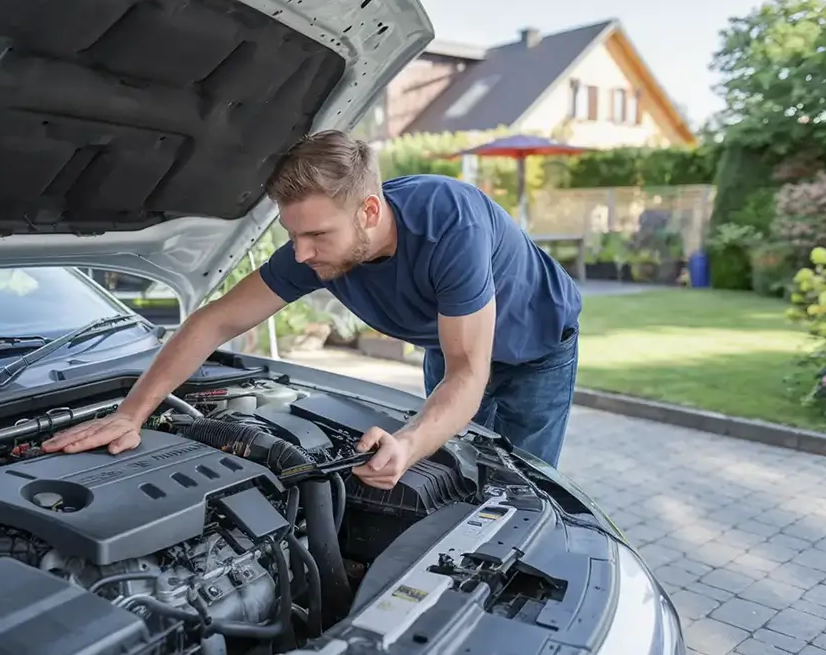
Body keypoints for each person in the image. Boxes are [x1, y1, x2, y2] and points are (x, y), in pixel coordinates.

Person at [41, 130, 583, 487]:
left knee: (521, 484)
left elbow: (471, 371)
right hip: (449, 345)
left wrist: (409, 443)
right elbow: (214, 322)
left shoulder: (451, 224)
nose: (301, 254)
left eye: (317, 234)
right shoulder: (315, 247)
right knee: (457, 467)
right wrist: (131, 413)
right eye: (293, 234)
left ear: (370, 210)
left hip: (537, 348)